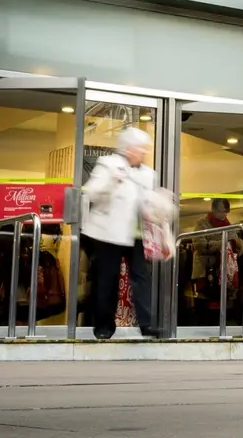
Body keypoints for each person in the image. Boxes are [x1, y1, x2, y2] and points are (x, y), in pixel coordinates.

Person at [82, 127, 170, 339]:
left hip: (137, 235)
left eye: (143, 149)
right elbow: (91, 192)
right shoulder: (108, 164)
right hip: (108, 233)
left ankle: (147, 325)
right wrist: (112, 180)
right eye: (139, 148)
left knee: (142, 278)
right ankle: (104, 328)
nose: (142, 152)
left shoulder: (149, 174)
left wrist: (162, 216)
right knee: (107, 280)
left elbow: (149, 204)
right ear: (127, 148)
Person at [191, 198, 243, 324]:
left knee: (224, 304)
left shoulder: (229, 225)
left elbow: (238, 247)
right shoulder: (202, 223)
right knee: (206, 306)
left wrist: (238, 245)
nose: (225, 215)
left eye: (227, 212)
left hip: (225, 272)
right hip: (206, 272)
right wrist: (224, 243)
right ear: (214, 210)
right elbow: (200, 245)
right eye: (222, 211)